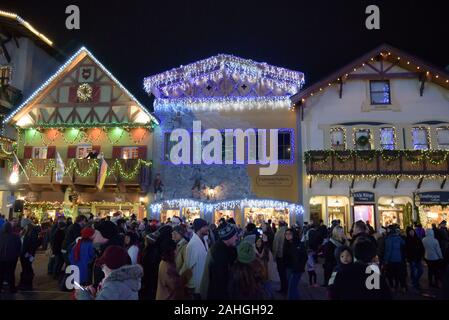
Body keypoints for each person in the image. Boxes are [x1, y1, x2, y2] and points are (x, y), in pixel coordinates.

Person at [76, 245, 143, 300]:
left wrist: (83, 295)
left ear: (111, 266)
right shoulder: (129, 281)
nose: (102, 270)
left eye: (103, 266)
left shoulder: (114, 285)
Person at [200, 222, 238, 300]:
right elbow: (220, 283)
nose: (236, 238)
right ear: (228, 237)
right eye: (234, 235)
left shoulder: (227, 249)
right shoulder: (219, 254)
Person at [185, 218, 209, 299]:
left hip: (203, 282)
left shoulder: (204, 240)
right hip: (196, 286)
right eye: (204, 226)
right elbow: (188, 266)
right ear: (199, 228)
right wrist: (191, 285)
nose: (207, 228)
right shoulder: (192, 244)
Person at [283, 228, 307, 300]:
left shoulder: (299, 244)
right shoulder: (286, 244)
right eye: (286, 234)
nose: (287, 235)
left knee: (291, 289)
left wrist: (300, 266)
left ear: (293, 234)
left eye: (289, 234)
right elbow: (285, 257)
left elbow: (305, 257)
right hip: (289, 268)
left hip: (297, 269)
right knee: (293, 287)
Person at [18, 218, 40, 291]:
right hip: (24, 253)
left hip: (27, 254)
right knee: (25, 269)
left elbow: (33, 244)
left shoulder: (32, 231)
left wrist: (29, 253)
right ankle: (23, 283)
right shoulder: (26, 231)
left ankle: (27, 285)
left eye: (23, 225)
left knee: (27, 269)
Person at [384, 225, 406, 292]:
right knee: (399, 274)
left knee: (390, 274)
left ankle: (392, 287)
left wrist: (386, 260)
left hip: (391, 260)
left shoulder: (388, 239)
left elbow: (388, 251)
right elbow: (404, 243)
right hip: (399, 259)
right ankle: (402, 287)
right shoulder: (399, 238)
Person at [0, 222, 21, 293]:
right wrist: (17, 255)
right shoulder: (15, 236)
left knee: (1, 273)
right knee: (11, 273)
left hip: (1, 258)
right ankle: (12, 288)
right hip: (11, 258)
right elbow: (19, 247)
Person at [405, 226, 425, 290]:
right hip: (411, 258)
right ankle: (415, 282)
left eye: (412, 231)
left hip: (418, 257)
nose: (411, 233)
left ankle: (415, 281)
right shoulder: (407, 240)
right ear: (408, 233)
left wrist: (422, 255)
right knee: (413, 271)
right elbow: (406, 250)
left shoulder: (417, 239)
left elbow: (422, 247)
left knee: (421, 270)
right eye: (410, 232)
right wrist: (407, 257)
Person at [272, 220, 288, 294]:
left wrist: (274, 256)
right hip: (288, 256)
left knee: (281, 273)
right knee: (286, 272)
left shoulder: (278, 233)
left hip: (280, 256)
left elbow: (276, 245)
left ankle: (283, 288)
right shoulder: (289, 231)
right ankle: (287, 287)